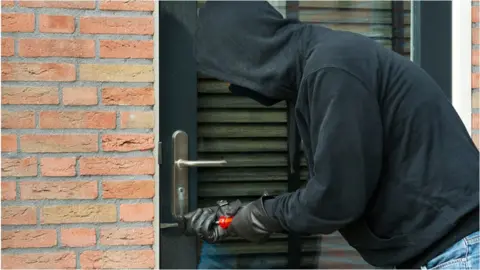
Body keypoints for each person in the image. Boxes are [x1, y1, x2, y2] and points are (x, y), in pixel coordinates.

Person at [181, 1, 480, 269]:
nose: (231, 87)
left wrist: (255, 216)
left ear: (247, 52)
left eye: (229, 74)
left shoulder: (333, 70)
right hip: (445, 248)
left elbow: (335, 198)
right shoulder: (324, 65)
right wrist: (242, 215)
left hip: (456, 251)